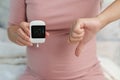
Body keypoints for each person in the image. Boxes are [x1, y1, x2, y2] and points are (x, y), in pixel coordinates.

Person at [8, 0, 120, 80]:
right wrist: (18, 34)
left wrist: (101, 20)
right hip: (34, 75)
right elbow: (12, 28)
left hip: (87, 74)